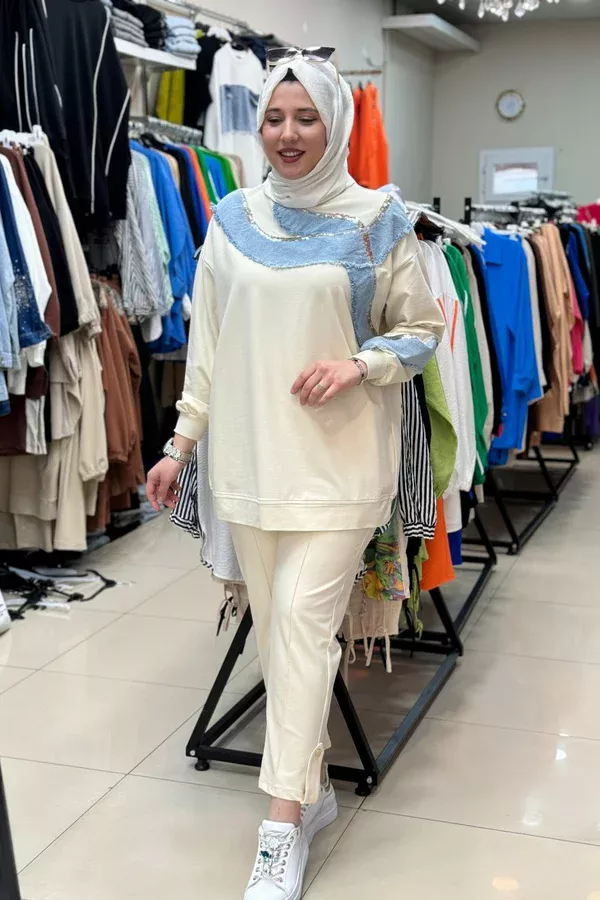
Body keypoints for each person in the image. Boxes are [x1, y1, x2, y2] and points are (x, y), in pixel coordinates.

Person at [146, 47, 445, 900]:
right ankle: (308, 791)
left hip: (341, 468)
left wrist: (360, 364)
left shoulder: (379, 218)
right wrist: (179, 446)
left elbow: (422, 331)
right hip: (249, 465)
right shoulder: (232, 217)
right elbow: (208, 347)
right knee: (280, 638)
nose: (286, 133)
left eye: (305, 117)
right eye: (274, 118)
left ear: (335, 122)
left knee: (306, 631)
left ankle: (279, 831)